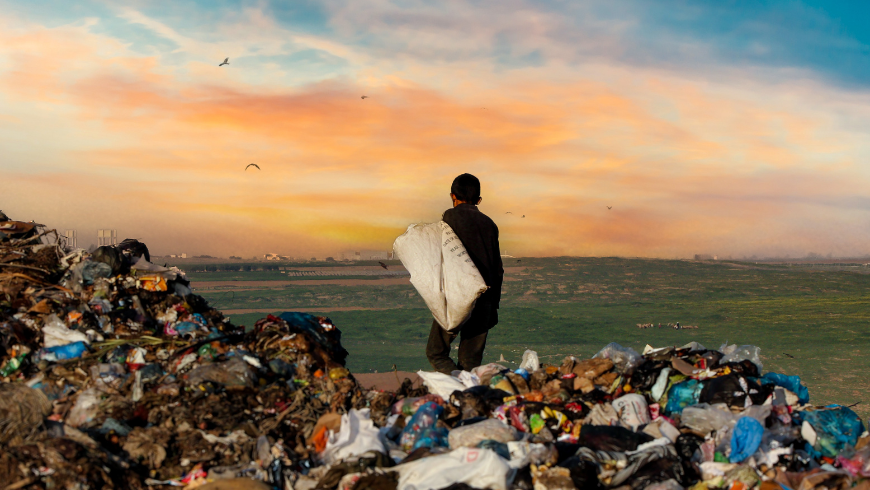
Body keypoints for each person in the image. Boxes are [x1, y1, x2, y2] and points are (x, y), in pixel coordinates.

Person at [426, 173, 504, 374]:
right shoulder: (490, 224)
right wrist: (493, 305)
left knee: (436, 352)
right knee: (470, 362)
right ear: (479, 201)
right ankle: (467, 392)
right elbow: (497, 268)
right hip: (485, 299)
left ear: (452, 196)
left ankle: (456, 385)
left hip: (458, 297)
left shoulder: (450, 217)